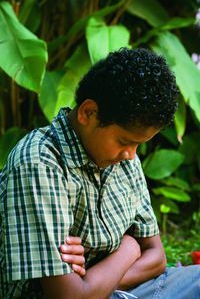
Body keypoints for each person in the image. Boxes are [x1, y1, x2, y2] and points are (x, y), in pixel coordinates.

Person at [0, 47, 199, 299]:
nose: (131, 155)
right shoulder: (39, 162)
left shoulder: (123, 158)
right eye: (124, 141)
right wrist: (129, 247)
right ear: (88, 113)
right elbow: (69, 296)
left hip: (126, 290)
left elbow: (157, 257)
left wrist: (95, 279)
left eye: (138, 144)